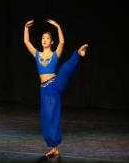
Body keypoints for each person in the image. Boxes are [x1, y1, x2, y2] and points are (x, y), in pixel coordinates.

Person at [23, 19, 88, 156]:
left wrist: (58, 26)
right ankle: (54, 147)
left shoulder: (55, 54)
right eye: (43, 38)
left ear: (52, 42)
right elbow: (26, 43)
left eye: (47, 38)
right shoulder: (37, 55)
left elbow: (62, 42)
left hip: (55, 84)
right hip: (44, 89)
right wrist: (26, 28)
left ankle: (78, 54)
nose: (45, 40)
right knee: (48, 116)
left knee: (64, 69)